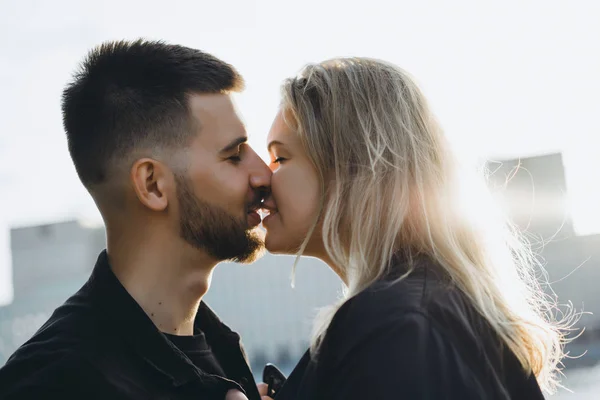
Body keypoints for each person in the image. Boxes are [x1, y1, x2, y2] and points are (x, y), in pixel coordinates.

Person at [258, 58, 572, 399]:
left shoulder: (391, 326)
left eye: (281, 158)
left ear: (350, 169)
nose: (262, 179)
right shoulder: (429, 310)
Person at [0, 39, 271, 400]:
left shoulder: (221, 350)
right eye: (234, 155)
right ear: (153, 184)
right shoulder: (54, 382)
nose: (263, 175)